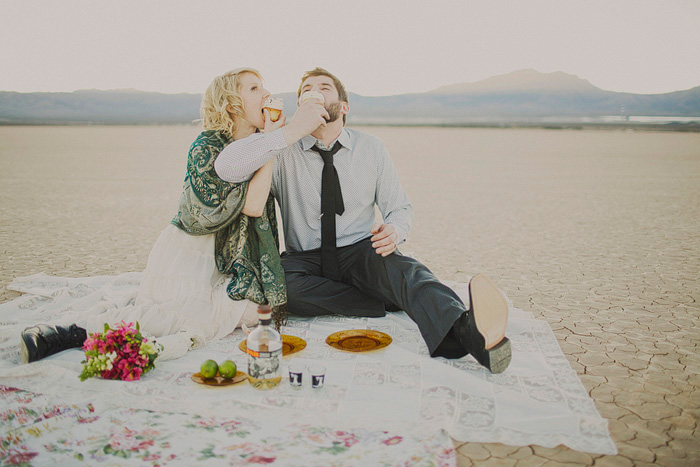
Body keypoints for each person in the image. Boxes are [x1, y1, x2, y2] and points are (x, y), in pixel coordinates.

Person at [213, 67, 512, 373]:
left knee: (407, 271)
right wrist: (280, 134)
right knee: (280, 287)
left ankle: (466, 333)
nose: (313, 92)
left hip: (359, 251)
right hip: (305, 259)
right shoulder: (283, 148)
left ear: (344, 106)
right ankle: (384, 299)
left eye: (324, 87)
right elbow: (228, 167)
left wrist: (394, 230)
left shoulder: (372, 148)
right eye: (305, 90)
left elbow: (400, 207)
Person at [19, 68, 323, 364]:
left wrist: (269, 141)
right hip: (193, 256)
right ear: (231, 105)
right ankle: (68, 331)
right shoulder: (206, 148)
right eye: (254, 88)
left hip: (231, 261)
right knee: (173, 320)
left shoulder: (258, 143)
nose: (267, 93)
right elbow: (253, 206)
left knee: (255, 313)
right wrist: (273, 140)